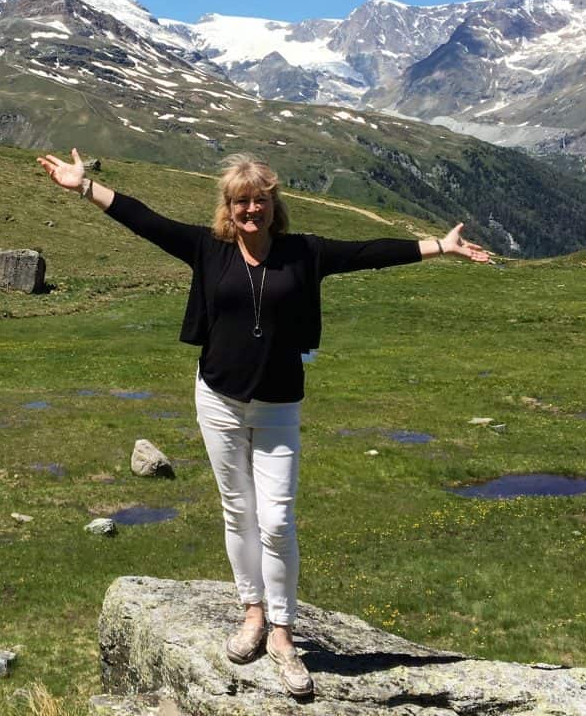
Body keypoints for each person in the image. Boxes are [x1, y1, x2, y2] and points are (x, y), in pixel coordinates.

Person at [37, 148, 490, 697]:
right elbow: (144, 219)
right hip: (218, 400)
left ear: (274, 206)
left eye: (261, 200)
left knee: (276, 520)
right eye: (241, 201)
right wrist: (84, 187)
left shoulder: (304, 253)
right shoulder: (208, 248)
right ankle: (251, 612)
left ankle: (282, 634)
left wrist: (438, 247)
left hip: (278, 406)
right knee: (237, 509)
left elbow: (368, 251)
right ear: (228, 208)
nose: (252, 209)